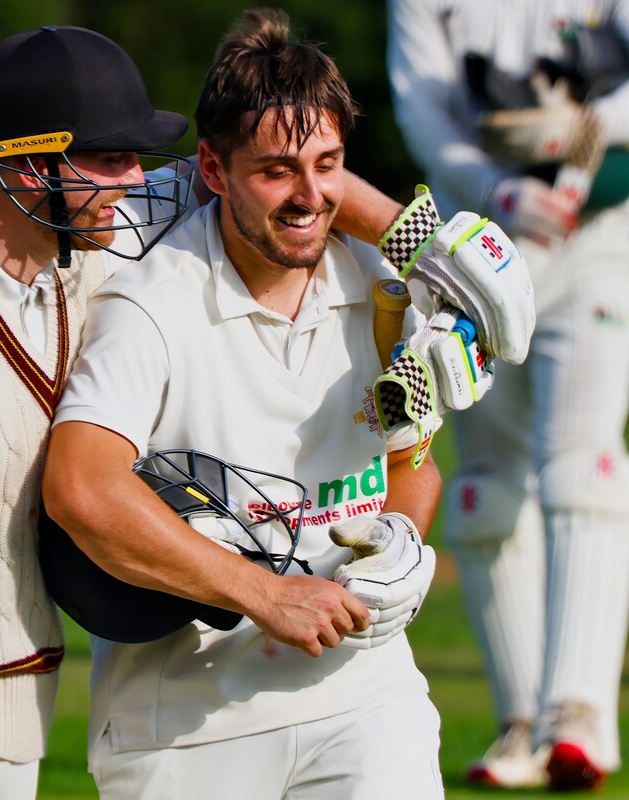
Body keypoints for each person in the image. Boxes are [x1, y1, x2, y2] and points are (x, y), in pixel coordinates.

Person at [0, 18, 536, 800]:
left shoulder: (84, 251)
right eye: (110, 157)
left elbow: (285, 162)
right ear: (28, 166)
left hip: (8, 699)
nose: (139, 179)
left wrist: (421, 244)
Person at [40, 9, 531, 798]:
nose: (309, 196)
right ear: (212, 168)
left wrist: (402, 540)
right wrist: (266, 595)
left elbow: (412, 463)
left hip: (365, 698)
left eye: (328, 163)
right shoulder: (150, 302)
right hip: (183, 721)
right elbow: (81, 487)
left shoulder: (384, 287)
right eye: (275, 171)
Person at [387, 0, 629, 791]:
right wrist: (497, 183)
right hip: (477, 240)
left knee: (581, 463)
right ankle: (520, 722)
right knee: (484, 485)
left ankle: (580, 715)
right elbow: (423, 107)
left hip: (598, 237)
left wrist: (580, 139)